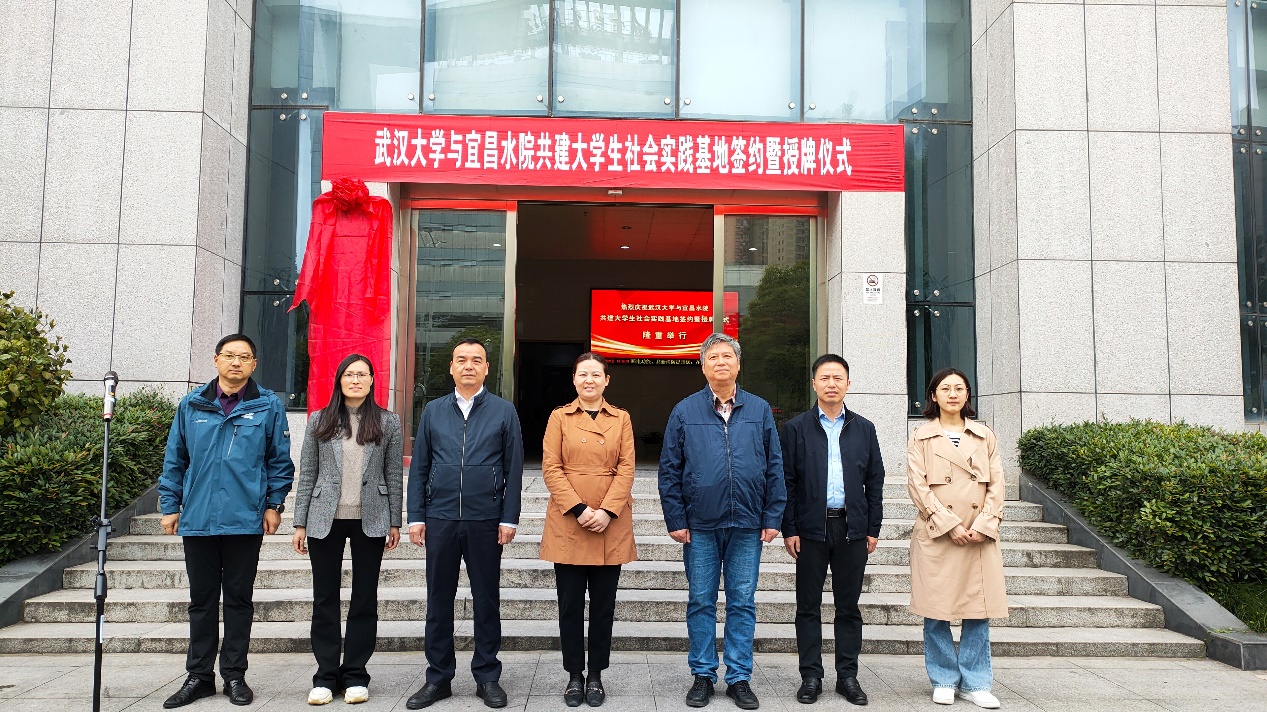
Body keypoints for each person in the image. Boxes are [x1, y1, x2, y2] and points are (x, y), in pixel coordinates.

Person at [157, 334, 294, 708]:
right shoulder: (192, 405)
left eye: (244, 357)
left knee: (238, 600)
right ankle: (199, 677)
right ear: (216, 360)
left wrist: (274, 505)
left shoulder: (267, 406)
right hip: (198, 518)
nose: (236, 362)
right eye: (230, 355)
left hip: (244, 520)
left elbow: (279, 462)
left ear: (254, 364)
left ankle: (234, 675)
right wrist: (170, 505)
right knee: (201, 601)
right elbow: (175, 459)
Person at [658, 333, 786, 710]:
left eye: (727, 356)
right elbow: (669, 469)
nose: (720, 363)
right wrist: (676, 517)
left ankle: (739, 677)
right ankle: (702, 674)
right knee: (701, 600)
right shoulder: (685, 410)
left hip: (748, 523)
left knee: (742, 601)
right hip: (700, 523)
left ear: (738, 364)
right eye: (713, 357)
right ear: (703, 366)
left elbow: (774, 465)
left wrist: (773, 514)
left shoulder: (759, 409)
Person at [405, 337, 524, 710]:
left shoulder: (504, 411)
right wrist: (415, 516)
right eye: (461, 359)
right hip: (439, 517)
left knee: (486, 600)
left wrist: (509, 517)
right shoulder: (433, 411)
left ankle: (487, 676)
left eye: (476, 360)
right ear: (451, 367)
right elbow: (420, 466)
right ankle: (438, 678)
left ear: (487, 368)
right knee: (438, 601)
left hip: (485, 518)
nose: (468, 365)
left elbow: (513, 469)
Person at [292, 354, 403, 705]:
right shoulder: (320, 420)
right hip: (324, 518)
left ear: (372, 380)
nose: (355, 380)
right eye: (349, 374)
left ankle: (355, 674)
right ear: (339, 380)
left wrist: (395, 520)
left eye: (362, 374)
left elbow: (393, 474)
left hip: (371, 517)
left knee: (364, 597)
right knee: (324, 597)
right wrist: (299, 522)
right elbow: (308, 472)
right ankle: (326, 676)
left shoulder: (388, 421)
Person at [779, 355, 883, 706]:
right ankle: (811, 676)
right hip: (810, 529)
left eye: (838, 377)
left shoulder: (864, 428)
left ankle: (847, 677)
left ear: (848, 384)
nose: (831, 384)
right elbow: (787, 482)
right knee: (807, 606)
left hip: (852, 529)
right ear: (814, 384)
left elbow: (875, 481)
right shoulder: (795, 428)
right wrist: (789, 527)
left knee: (848, 607)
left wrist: (873, 527)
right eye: (824, 378)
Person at [539, 352, 638, 708]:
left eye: (596, 375)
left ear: (606, 380)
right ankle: (573, 676)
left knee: (603, 606)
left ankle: (595, 675)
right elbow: (551, 467)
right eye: (583, 374)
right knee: (569, 606)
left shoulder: (621, 418)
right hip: (569, 520)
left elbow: (627, 467)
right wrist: (580, 509)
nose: (589, 380)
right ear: (574, 379)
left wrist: (607, 511)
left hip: (610, 523)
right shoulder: (559, 417)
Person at [907, 368, 1007, 710]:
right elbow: (917, 485)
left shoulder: (984, 435)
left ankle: (976, 682)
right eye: (945, 388)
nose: (952, 394)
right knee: (936, 609)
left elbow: (997, 484)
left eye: (959, 388)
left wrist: (985, 523)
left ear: (967, 395)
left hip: (978, 535)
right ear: (933, 396)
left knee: (978, 610)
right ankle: (944, 679)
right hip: (937, 534)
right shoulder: (921, 437)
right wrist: (948, 523)